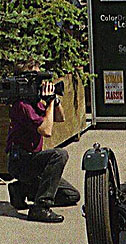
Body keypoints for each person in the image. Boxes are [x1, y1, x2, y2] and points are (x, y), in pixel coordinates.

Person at [6, 60, 80, 222]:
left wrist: (53, 99)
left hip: (33, 161)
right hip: (21, 162)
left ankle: (21, 189)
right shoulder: (22, 106)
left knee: (71, 195)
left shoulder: (34, 102)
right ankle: (40, 207)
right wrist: (50, 102)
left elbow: (60, 118)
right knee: (59, 155)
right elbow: (46, 130)